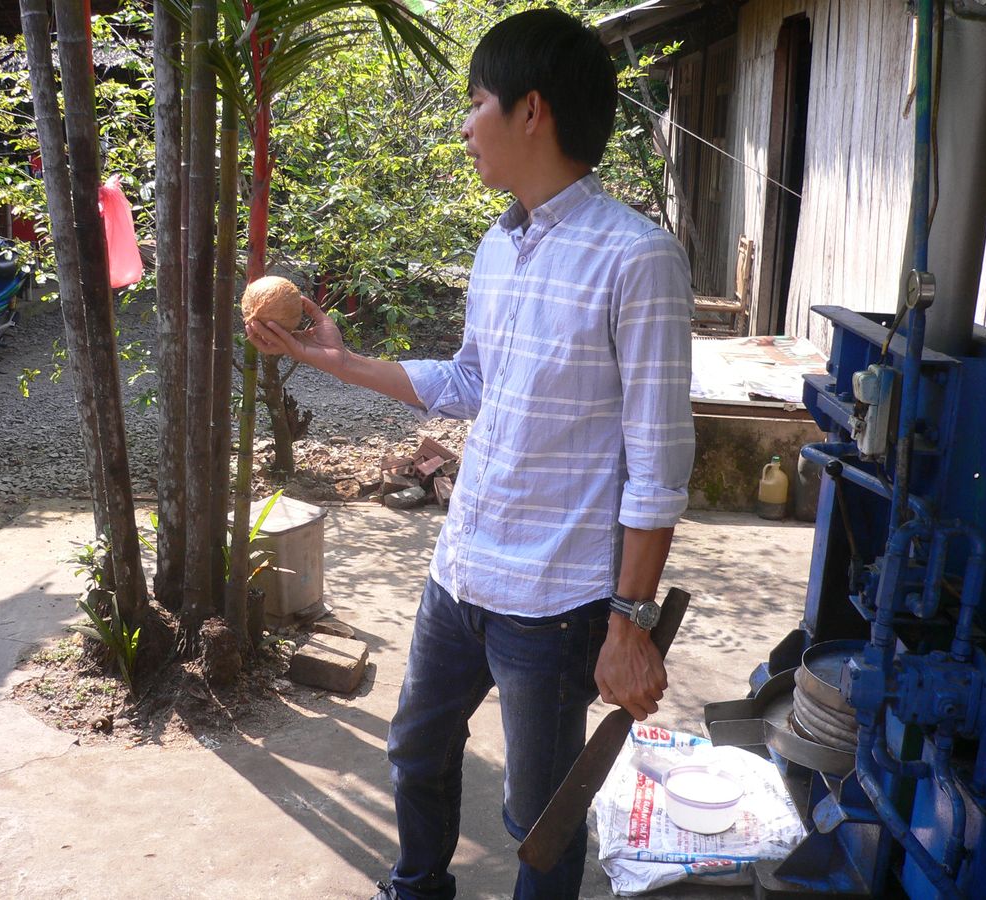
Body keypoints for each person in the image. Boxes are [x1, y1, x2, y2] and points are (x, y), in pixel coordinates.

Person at [247, 9, 695, 898]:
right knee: (416, 749)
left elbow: (658, 464)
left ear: (531, 110)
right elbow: (467, 382)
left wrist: (628, 623)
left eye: (476, 101)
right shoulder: (498, 244)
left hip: (555, 600)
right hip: (461, 570)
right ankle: (416, 888)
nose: (464, 125)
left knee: (540, 820)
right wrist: (336, 361)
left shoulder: (637, 258)